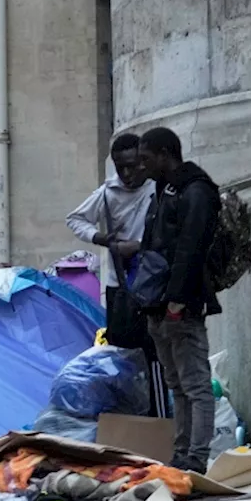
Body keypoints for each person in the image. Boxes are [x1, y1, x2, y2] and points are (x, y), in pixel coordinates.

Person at [66, 134, 170, 417]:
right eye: (120, 166)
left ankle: (158, 420)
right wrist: (102, 238)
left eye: (133, 165)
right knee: (121, 354)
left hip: (152, 285)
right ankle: (126, 417)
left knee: (154, 355)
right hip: (120, 288)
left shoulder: (157, 189)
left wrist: (139, 246)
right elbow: (75, 219)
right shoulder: (107, 193)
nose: (126, 173)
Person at [137, 127, 222, 472]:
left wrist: (177, 299)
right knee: (178, 385)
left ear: (165, 154)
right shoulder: (165, 191)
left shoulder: (195, 191)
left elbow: (191, 247)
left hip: (180, 305)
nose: (141, 167)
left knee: (195, 384)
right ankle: (183, 453)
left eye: (146, 159)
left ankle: (195, 458)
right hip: (158, 304)